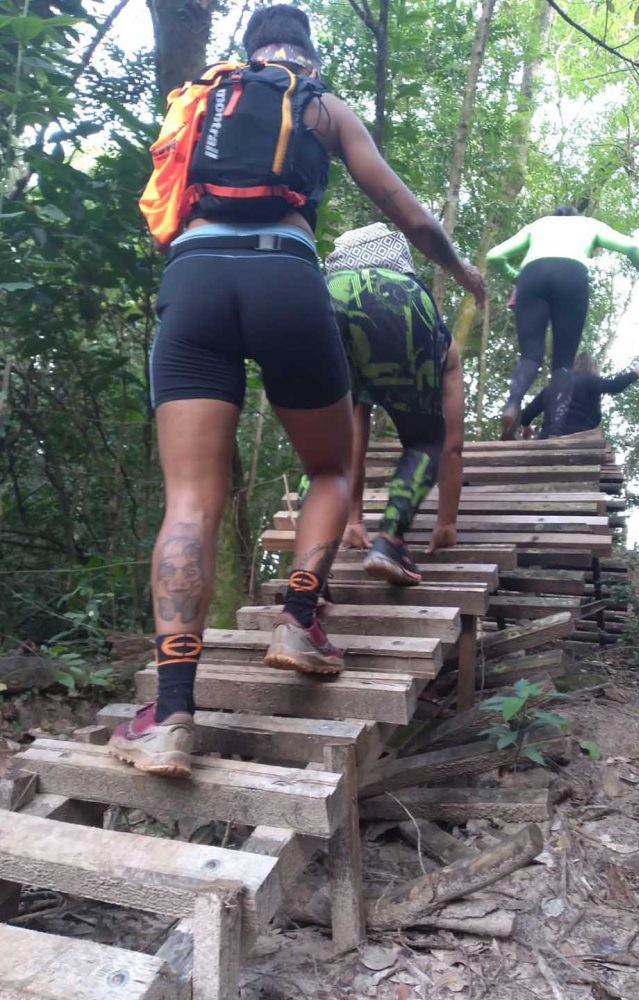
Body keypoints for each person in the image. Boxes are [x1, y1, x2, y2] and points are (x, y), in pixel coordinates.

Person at [108, 4, 484, 778]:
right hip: (285, 274)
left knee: (188, 501)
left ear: (247, 51)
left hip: (195, 282)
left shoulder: (203, 97)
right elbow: (402, 208)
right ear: (305, 50)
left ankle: (171, 715)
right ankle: (300, 620)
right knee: (332, 469)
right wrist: (461, 272)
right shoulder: (320, 103)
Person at [325, 224, 465, 585]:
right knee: (425, 441)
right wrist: (446, 521)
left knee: (326, 446)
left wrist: (354, 519)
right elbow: (451, 446)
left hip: (326, 293)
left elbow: (354, 437)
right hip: (399, 302)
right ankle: (389, 541)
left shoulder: (337, 282)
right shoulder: (431, 325)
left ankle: (312, 573)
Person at [486, 206, 639, 440]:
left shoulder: (537, 226)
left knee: (529, 355)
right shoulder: (589, 225)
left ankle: (512, 404)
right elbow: (633, 247)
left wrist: (516, 277)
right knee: (563, 364)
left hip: (531, 275)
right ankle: (556, 433)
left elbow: (494, 256)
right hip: (572, 274)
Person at [520, 349, 639, 438]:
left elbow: (526, 415)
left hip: (548, 438)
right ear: (593, 368)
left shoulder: (553, 387)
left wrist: (526, 428)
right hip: (580, 439)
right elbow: (615, 385)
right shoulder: (590, 381)